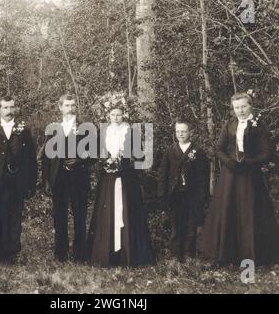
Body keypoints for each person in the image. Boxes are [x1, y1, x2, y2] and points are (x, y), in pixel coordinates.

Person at [199, 92, 279, 266]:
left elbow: (267, 152)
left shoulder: (259, 125)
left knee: (250, 212)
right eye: (237, 107)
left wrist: (250, 162)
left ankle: (253, 256)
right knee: (228, 210)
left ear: (250, 106)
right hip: (230, 176)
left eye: (244, 106)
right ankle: (227, 255)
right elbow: (218, 149)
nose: (240, 110)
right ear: (233, 109)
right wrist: (229, 163)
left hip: (250, 175)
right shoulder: (229, 124)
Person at [87, 95, 156, 267]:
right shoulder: (104, 131)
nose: (115, 118)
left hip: (126, 177)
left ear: (124, 114)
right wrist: (106, 162)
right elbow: (98, 153)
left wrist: (124, 164)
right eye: (112, 115)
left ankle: (128, 254)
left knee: (126, 210)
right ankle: (107, 254)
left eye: (118, 114)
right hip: (108, 178)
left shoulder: (131, 131)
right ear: (108, 115)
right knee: (108, 211)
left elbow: (139, 156)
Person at [0, 95, 37, 263]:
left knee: (15, 217)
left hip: (16, 182)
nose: (9, 111)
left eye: (12, 107)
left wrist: (31, 184)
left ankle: (12, 252)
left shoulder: (23, 130)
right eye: (5, 107)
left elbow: (31, 159)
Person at [41, 94, 91, 262]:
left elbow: (96, 154)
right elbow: (46, 158)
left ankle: (80, 254)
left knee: (80, 216)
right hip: (59, 178)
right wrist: (47, 180)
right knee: (59, 216)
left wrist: (80, 159)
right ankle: (60, 253)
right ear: (60, 107)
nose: (70, 108)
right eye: (67, 105)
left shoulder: (86, 128)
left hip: (79, 178)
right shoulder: (53, 128)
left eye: (72, 105)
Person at [157, 118, 209, 261]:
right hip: (175, 195)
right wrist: (162, 195)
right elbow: (163, 175)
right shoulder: (170, 151)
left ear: (190, 132)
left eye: (184, 131)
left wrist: (203, 195)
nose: (180, 134)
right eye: (178, 131)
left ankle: (188, 254)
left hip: (192, 195)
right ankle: (175, 254)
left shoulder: (198, 151)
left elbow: (203, 176)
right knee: (175, 225)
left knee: (191, 225)